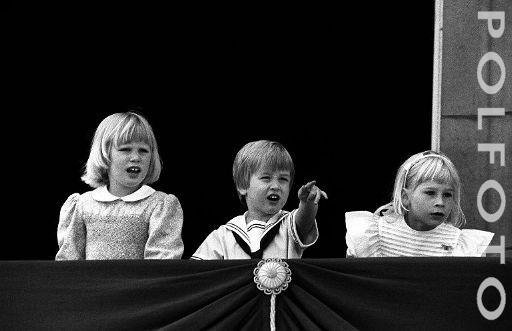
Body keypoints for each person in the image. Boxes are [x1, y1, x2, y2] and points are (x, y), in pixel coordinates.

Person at [56, 111, 184, 260]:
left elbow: (161, 264)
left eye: (143, 150)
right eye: (125, 149)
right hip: (93, 284)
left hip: (141, 283)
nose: (135, 157)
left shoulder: (160, 205)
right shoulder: (82, 205)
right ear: (104, 154)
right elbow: (69, 264)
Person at [191, 140, 328, 260]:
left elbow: (305, 221)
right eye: (266, 178)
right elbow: (197, 274)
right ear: (243, 186)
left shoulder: (289, 224)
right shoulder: (223, 236)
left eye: (283, 179)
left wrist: (308, 203)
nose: (276, 186)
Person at [345, 150, 494, 257]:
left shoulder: (458, 245)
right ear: (405, 197)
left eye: (447, 195)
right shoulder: (372, 235)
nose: (440, 202)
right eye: (430, 193)